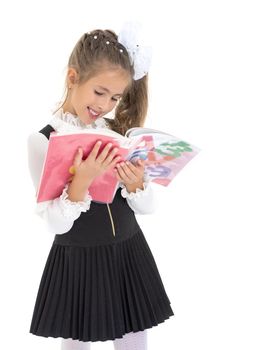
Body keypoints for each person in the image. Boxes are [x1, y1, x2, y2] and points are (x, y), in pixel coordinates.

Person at [27, 22, 174, 350]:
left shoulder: (115, 132)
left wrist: (137, 184)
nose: (105, 105)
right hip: (79, 258)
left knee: (134, 337)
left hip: (128, 249)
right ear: (73, 78)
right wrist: (81, 181)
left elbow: (148, 208)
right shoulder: (42, 141)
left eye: (115, 97)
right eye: (99, 92)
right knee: (78, 339)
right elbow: (55, 222)